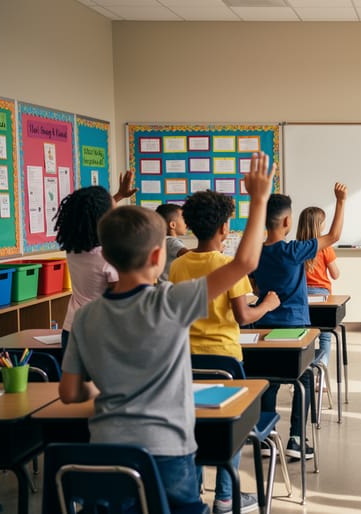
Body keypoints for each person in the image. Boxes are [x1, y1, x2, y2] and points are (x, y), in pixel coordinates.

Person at [58, 152, 275, 512]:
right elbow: (245, 262)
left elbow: (69, 392)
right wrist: (259, 199)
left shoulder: (85, 318)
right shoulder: (172, 303)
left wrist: (108, 385)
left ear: (106, 257)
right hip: (166, 450)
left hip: (106, 449)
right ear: (159, 257)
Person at [169, 188, 281, 513]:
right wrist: (269, 304)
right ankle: (225, 497)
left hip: (186, 359)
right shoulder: (229, 265)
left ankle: (192, 495)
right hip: (225, 359)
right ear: (224, 229)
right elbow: (244, 316)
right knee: (232, 425)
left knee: (193, 424)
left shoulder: (178, 265)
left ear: (189, 226)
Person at [250, 186, 346, 461]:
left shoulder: (255, 253)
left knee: (268, 382)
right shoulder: (294, 250)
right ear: (287, 222)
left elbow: (255, 288)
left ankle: (266, 437)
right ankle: (295, 438)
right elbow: (334, 235)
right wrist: (341, 201)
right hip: (294, 327)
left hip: (264, 326)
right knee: (303, 378)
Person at [54, 172, 137, 349]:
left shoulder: (74, 249)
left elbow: (91, 213)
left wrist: (119, 195)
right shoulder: (109, 256)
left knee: (75, 377)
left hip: (72, 329)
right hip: (101, 331)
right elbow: (121, 301)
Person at [297, 206, 341, 368]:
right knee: (325, 335)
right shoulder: (325, 248)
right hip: (322, 297)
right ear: (318, 225)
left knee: (305, 334)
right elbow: (335, 274)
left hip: (301, 296)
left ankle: (304, 368)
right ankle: (320, 374)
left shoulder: (295, 247)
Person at [155, 203, 189, 282]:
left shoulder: (162, 240)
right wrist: (208, 248)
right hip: (168, 286)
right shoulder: (170, 241)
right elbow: (187, 254)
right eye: (184, 219)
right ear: (172, 225)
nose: (187, 223)